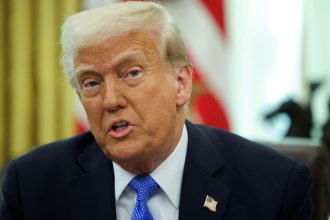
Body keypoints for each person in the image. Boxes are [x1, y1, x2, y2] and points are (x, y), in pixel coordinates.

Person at [0, 2, 312, 220]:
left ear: (181, 83)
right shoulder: (32, 185)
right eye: (92, 82)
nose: (110, 100)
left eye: (131, 73)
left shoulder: (273, 187)